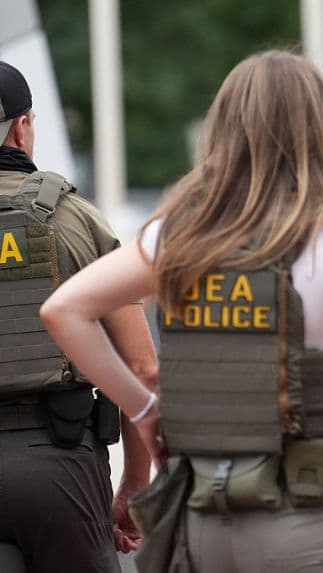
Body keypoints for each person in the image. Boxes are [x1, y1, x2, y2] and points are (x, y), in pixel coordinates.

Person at [41, 50, 323, 573]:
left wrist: (144, 410)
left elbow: (65, 310)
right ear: (318, 132)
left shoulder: (181, 233)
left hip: (201, 518)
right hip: (310, 513)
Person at [0, 61, 157, 572]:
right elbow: (140, 366)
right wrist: (135, 485)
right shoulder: (74, 217)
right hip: (60, 468)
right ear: (22, 126)